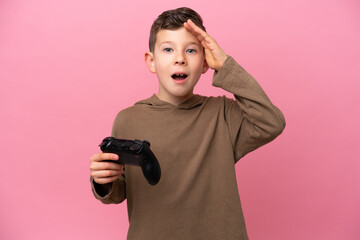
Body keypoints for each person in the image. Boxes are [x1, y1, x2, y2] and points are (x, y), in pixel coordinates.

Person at [89, 7, 285, 240]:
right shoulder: (128, 119)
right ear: (151, 61)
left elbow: (271, 121)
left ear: (205, 63)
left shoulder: (222, 114)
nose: (180, 58)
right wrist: (103, 180)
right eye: (168, 49)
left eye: (191, 50)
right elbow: (118, 192)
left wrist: (225, 65)